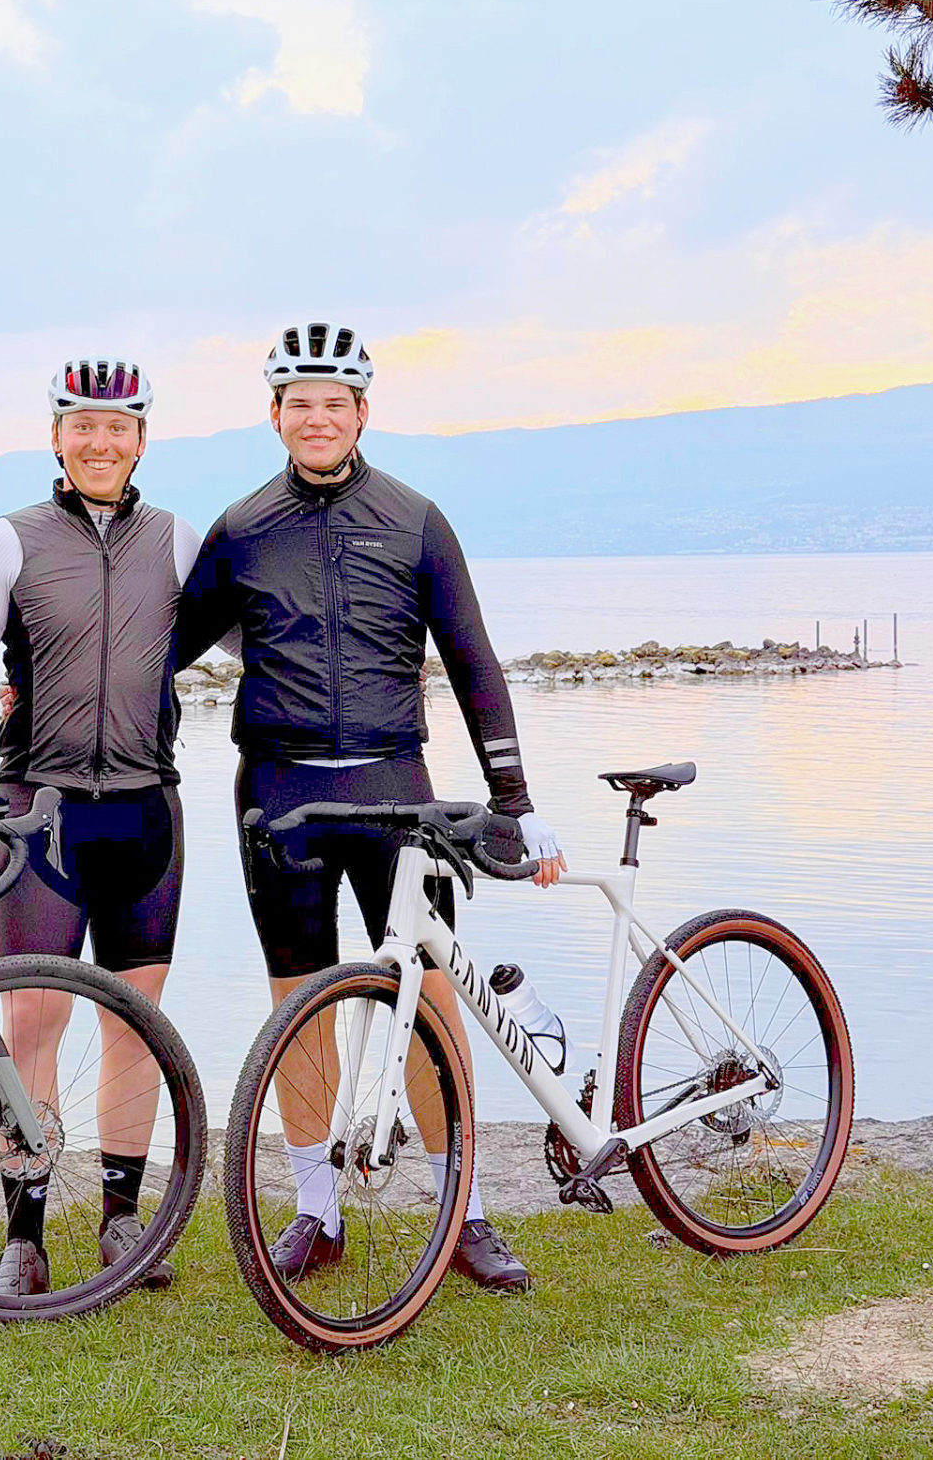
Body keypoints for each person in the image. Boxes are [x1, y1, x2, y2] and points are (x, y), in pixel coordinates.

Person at [175, 321, 566, 1294]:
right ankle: (319, 1210)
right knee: (297, 1004)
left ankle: (464, 1210)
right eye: (299, 404)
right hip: (280, 793)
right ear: (275, 415)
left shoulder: (416, 519)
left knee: (430, 997)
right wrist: (45, 701)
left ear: (361, 413)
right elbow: (157, 654)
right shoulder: (240, 529)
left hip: (398, 791)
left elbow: (473, 660)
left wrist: (514, 797)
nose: (317, 418)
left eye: (334, 403)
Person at [0, 358, 200, 1297]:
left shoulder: (177, 540)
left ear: (142, 439)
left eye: (118, 427)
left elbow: (251, 637)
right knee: (31, 1019)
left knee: (135, 1021)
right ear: (57, 436)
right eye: (83, 426)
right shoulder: (10, 540)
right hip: (37, 812)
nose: (100, 442)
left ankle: (122, 1220)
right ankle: (24, 1237)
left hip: (147, 808)